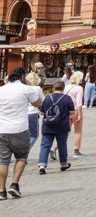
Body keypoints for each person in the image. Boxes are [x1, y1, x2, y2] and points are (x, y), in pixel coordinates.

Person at [0, 67, 43, 200]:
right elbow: (37, 104)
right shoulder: (26, 89)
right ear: (23, 76)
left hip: (2, 129)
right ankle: (14, 184)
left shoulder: (1, 90)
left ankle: (1, 191)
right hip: (20, 129)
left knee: (2, 160)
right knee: (21, 157)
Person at [36, 79, 75, 175]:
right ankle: (63, 164)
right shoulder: (67, 98)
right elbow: (72, 112)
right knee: (62, 145)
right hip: (62, 125)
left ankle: (42, 165)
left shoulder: (47, 98)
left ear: (53, 88)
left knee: (45, 145)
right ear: (63, 88)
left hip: (48, 126)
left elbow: (41, 112)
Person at [65, 71, 86, 157]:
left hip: (67, 111)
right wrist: (80, 113)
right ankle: (76, 151)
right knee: (78, 132)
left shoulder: (67, 87)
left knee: (65, 132)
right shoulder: (79, 88)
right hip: (75, 111)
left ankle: (54, 147)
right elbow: (79, 102)